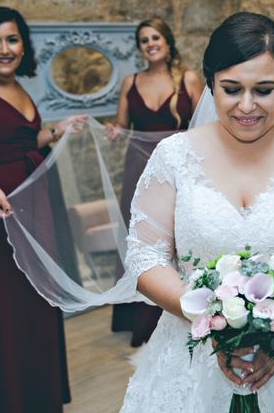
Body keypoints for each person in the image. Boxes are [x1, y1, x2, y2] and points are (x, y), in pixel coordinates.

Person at [120, 12, 274, 412]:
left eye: (264, 89)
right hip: (192, 359)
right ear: (211, 85)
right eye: (232, 89)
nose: (247, 106)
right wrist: (215, 324)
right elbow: (144, 256)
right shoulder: (173, 156)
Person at [0, 7, 86, 412]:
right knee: (3, 305)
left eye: (12, 39)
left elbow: (26, 142)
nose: (4, 49)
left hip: (34, 207)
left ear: (23, 45)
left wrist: (59, 129)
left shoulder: (22, 90)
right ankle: (4, 400)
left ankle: (35, 396)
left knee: (35, 301)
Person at [106, 17, 202, 346]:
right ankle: (136, 316)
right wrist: (114, 131)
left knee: (178, 236)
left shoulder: (188, 78)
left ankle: (181, 307)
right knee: (142, 237)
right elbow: (120, 125)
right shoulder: (130, 81)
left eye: (156, 37)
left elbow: (205, 125)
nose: (151, 44)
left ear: (168, 41)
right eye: (144, 40)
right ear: (140, 47)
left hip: (179, 170)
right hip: (138, 170)